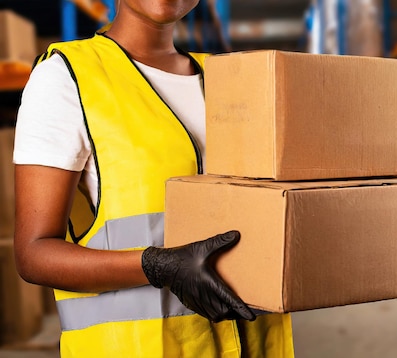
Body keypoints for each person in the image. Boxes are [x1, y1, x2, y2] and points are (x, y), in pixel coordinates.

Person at [12, 0, 294, 356]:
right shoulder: (67, 77)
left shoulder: (234, 80)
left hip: (257, 344)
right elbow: (33, 253)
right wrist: (155, 266)